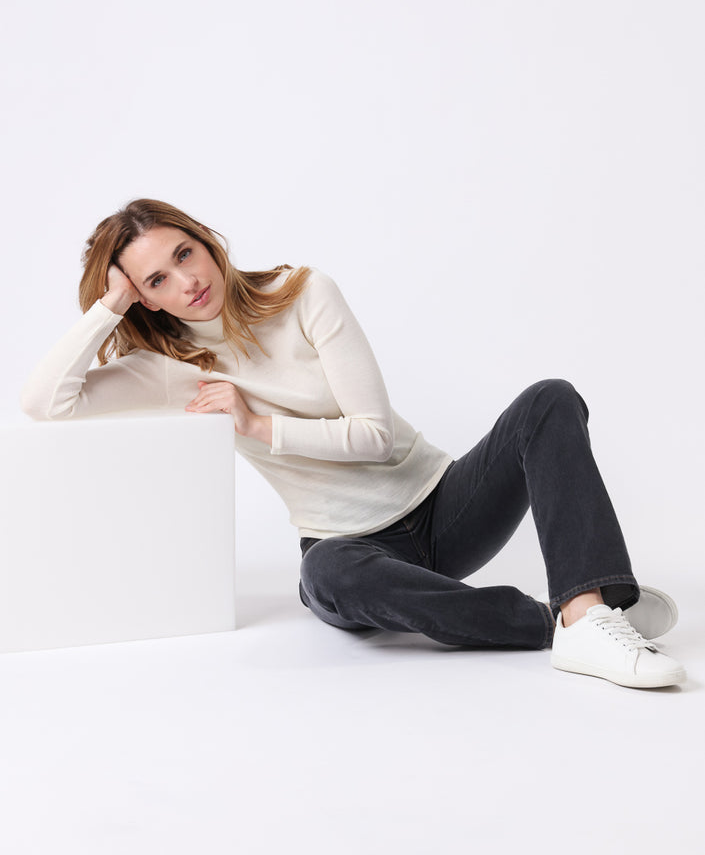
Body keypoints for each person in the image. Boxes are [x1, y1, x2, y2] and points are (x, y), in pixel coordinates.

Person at [22, 198, 686, 689]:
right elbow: (45, 403)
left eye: (182, 254)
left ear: (206, 242)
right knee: (324, 575)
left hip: (444, 507)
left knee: (549, 399)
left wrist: (257, 425)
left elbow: (371, 437)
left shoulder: (302, 293)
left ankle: (586, 607)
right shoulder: (169, 370)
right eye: (155, 281)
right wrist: (109, 304)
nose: (185, 281)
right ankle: (567, 619)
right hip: (353, 551)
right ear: (145, 300)